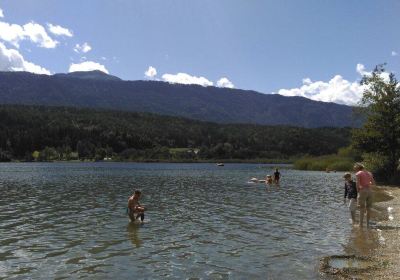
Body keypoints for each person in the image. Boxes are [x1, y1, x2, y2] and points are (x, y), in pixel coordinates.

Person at [354, 163, 375, 228]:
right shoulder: (369, 173)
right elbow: (373, 183)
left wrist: (358, 191)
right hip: (370, 191)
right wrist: (368, 183)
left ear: (357, 168)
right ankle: (368, 224)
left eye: (355, 169)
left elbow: (357, 183)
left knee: (361, 208)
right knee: (369, 208)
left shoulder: (358, 173)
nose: (355, 170)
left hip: (363, 191)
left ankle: (360, 225)